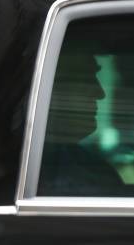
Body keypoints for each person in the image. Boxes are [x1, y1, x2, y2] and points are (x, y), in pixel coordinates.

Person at [38, 51, 123, 196]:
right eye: (86, 78)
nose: (100, 93)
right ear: (51, 90)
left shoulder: (94, 170)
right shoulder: (92, 176)